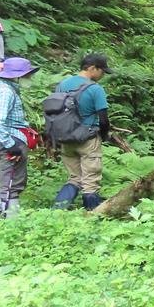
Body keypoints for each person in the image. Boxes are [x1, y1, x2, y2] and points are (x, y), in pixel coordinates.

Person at [52, 54, 113, 211]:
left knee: (74, 178)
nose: (102, 75)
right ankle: (93, 216)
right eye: (102, 71)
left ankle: (56, 211)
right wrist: (105, 136)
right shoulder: (95, 89)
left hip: (65, 138)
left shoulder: (61, 85)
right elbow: (104, 120)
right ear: (92, 68)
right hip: (88, 139)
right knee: (90, 180)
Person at [0, 57, 39, 219]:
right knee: (11, 183)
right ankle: (11, 223)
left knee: (11, 180)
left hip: (6, 139)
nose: (28, 79)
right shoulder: (5, 92)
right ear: (15, 76)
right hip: (9, 141)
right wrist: (10, 145)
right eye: (26, 75)